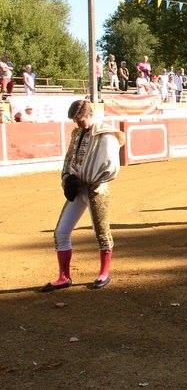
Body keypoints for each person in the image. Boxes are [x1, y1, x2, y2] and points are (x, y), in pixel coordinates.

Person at [41, 100, 125, 292]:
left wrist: (92, 180)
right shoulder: (76, 133)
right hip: (78, 188)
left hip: (97, 189)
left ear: (91, 115)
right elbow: (69, 159)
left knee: (101, 232)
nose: (79, 124)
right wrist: (67, 178)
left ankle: (104, 273)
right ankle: (64, 276)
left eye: (81, 119)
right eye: (76, 121)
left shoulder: (105, 135)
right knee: (61, 231)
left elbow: (110, 166)